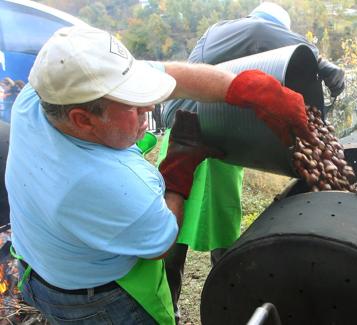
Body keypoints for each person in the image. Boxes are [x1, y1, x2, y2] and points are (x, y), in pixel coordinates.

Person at [6, 25, 313, 325]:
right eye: (133, 106)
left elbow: (173, 76)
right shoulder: (102, 184)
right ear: (83, 120)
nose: (149, 106)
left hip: (40, 263)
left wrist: (243, 88)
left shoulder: (36, 99)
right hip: (94, 304)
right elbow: (162, 243)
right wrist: (178, 170)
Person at [158, 1, 346, 316]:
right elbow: (259, 31)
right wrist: (318, 59)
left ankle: (234, 297)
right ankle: (167, 306)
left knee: (224, 224)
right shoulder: (227, 31)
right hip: (186, 133)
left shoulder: (250, 55)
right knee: (172, 227)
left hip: (222, 144)